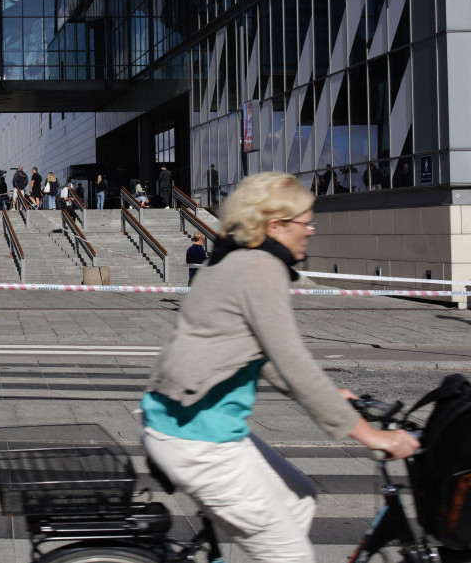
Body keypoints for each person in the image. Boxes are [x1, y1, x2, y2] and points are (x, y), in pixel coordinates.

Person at [140, 172, 419, 563]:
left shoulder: (234, 258)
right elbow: (292, 361)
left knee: (300, 498)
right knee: (290, 554)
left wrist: (332, 395)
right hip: (196, 438)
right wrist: (371, 436)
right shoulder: (258, 267)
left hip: (191, 424)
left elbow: (261, 353)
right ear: (275, 225)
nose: (311, 231)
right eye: (305, 223)